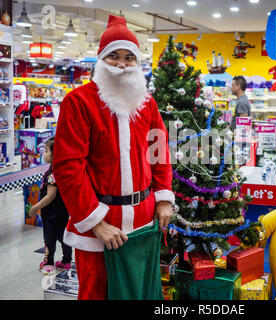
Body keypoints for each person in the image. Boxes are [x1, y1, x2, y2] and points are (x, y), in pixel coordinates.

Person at [52, 15, 174, 300]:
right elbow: (69, 167)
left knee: (140, 293)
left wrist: (164, 198)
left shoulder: (146, 103)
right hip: (99, 228)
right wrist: (96, 223)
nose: (121, 64)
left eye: (129, 57)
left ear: (137, 62)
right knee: (97, 294)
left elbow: (159, 150)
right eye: (113, 56)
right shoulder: (79, 102)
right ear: (101, 61)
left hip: (143, 223)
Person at [29, 136, 72, 275]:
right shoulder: (62, 170)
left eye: (46, 151)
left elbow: (50, 196)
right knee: (64, 237)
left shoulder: (52, 175)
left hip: (51, 214)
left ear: (55, 155)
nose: (43, 154)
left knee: (49, 239)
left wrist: (36, 207)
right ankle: (66, 261)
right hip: (63, 211)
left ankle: (48, 263)